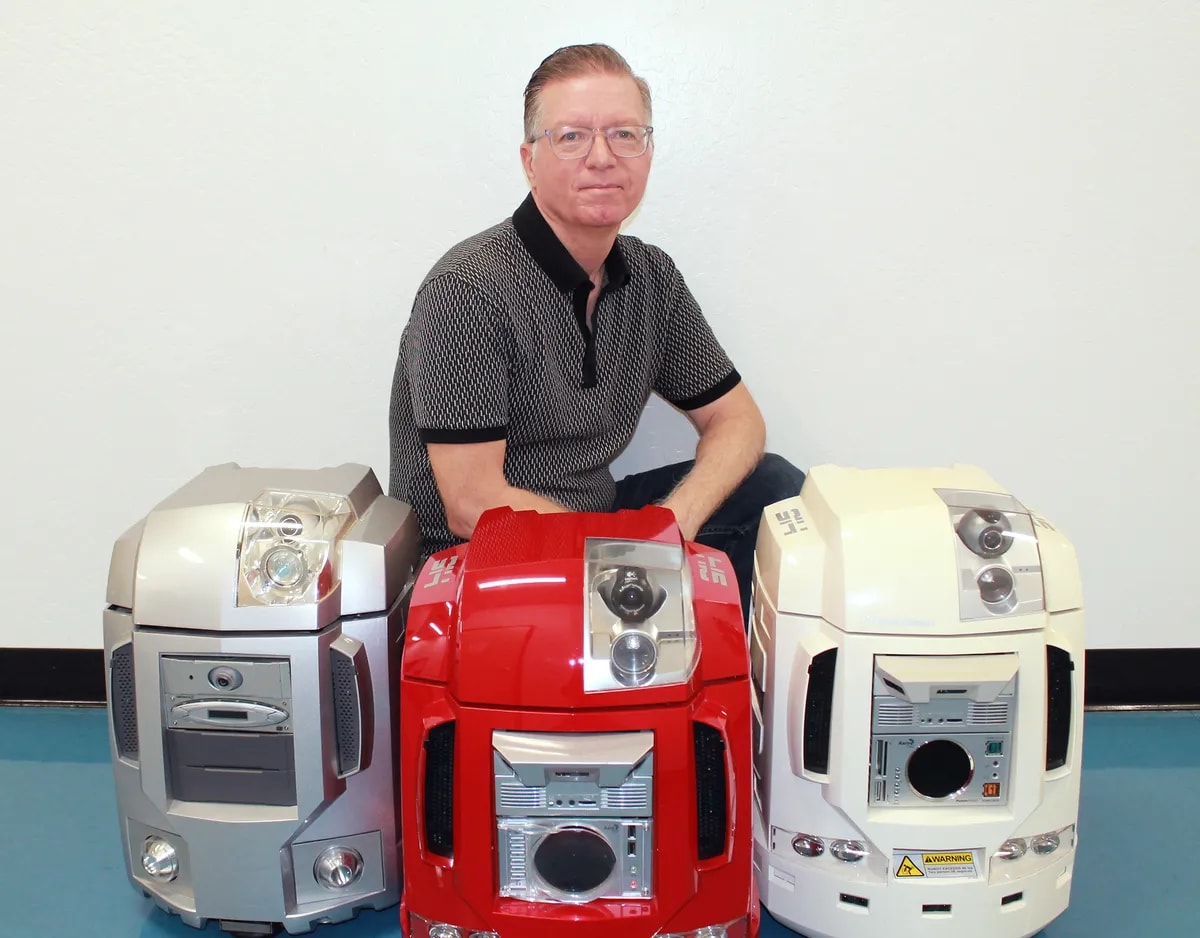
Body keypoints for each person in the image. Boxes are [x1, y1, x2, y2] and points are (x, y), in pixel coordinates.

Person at [389, 43, 804, 619]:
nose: (603, 157)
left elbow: (737, 419)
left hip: (597, 526)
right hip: (483, 563)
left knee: (774, 486)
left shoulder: (650, 276)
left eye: (625, 134)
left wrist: (670, 525)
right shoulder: (468, 289)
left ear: (648, 152)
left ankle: (705, 670)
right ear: (529, 160)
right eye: (572, 136)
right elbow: (470, 505)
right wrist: (625, 552)